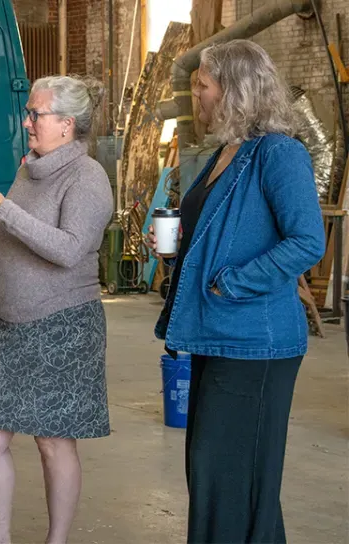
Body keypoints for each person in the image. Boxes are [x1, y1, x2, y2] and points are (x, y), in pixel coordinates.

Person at [145, 40, 325, 543]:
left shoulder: (279, 153)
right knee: (223, 479)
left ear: (235, 91)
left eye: (202, 85)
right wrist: (183, 249)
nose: (195, 95)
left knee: (229, 478)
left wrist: (231, 282)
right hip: (216, 333)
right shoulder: (226, 152)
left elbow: (307, 240)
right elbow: (221, 232)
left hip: (254, 341)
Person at [0, 76, 113, 544]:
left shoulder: (86, 177)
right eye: (29, 112)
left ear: (67, 125)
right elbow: (12, 241)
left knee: (53, 441)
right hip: (11, 325)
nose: (27, 121)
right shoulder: (29, 167)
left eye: (36, 114)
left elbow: (70, 249)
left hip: (63, 324)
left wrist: (3, 210)